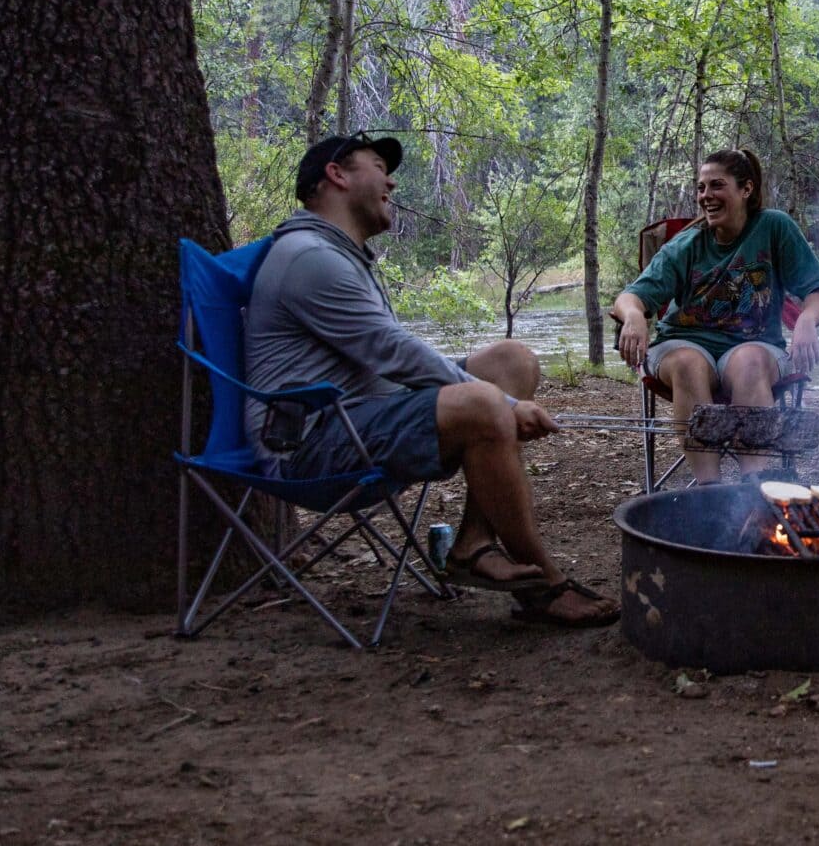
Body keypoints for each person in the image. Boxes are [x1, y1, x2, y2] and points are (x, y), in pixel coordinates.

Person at [244, 131, 618, 627]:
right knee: (486, 403)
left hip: (361, 418)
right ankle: (545, 587)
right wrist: (507, 406)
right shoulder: (309, 257)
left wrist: (498, 393)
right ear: (336, 175)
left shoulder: (339, 254)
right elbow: (393, 352)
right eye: (380, 168)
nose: (391, 183)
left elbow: (391, 359)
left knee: (512, 361)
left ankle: (474, 544)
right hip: (311, 445)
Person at [613, 148, 819, 483]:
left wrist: (806, 320)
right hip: (683, 344)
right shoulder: (687, 244)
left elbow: (818, 291)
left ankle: (752, 488)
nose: (706, 196)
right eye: (701, 188)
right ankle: (709, 489)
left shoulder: (774, 227)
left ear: (746, 189)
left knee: (749, 362)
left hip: (756, 347)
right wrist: (633, 316)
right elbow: (631, 297)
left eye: (717, 185)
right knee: (687, 363)